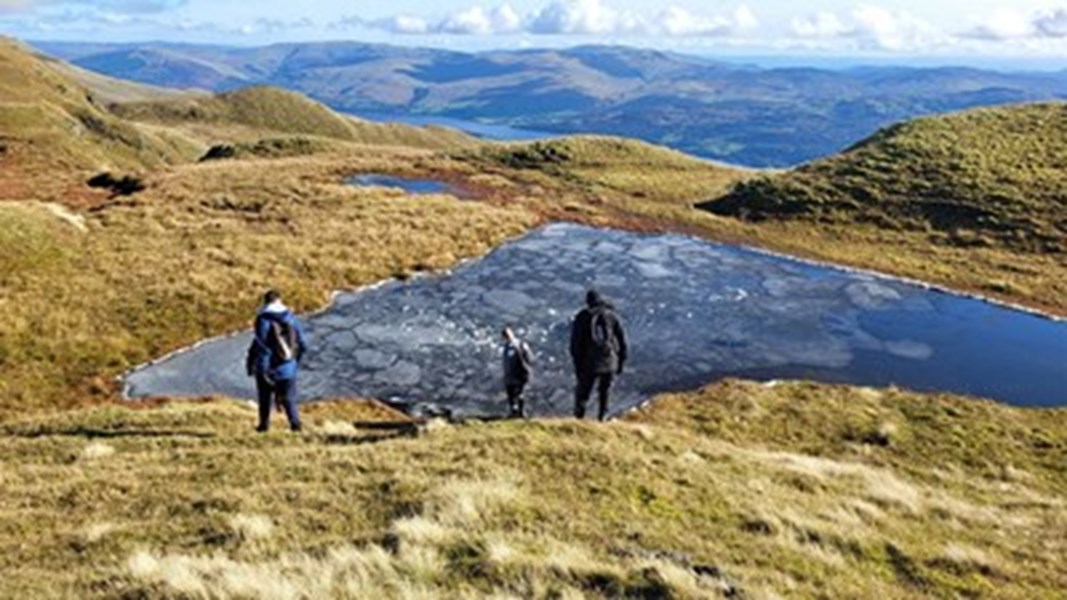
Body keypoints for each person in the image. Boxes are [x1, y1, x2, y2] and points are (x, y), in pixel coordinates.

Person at [246, 289, 308, 432]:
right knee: (289, 398)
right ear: (279, 300)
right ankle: (296, 426)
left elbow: (262, 347)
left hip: (268, 368)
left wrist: (261, 369)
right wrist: (294, 363)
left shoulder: (262, 319)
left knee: (264, 398)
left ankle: (264, 426)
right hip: (288, 366)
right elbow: (302, 344)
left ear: (265, 302)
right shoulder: (291, 317)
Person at [570, 289, 628, 421]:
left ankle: (579, 419)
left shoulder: (582, 317)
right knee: (605, 391)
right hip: (609, 361)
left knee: (583, 393)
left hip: (589, 363)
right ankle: (603, 417)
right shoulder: (611, 316)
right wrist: (620, 362)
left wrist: (578, 366)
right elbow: (622, 341)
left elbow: (575, 345)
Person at [501, 326, 533, 418]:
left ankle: (521, 412)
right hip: (509, 375)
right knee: (511, 394)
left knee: (519, 393)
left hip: (519, 374)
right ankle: (514, 411)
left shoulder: (520, 345)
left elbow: (529, 357)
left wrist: (526, 369)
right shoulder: (506, 347)